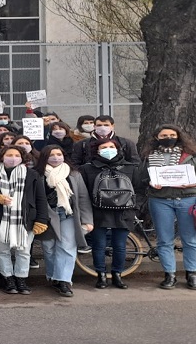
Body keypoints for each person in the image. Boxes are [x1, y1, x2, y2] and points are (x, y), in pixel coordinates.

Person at [0, 146, 50, 295]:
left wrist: (42, 220)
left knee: (24, 252)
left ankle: (21, 278)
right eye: (9, 154)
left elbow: (40, 199)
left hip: (26, 219)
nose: (13, 158)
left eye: (16, 155)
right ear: (2, 156)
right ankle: (8, 279)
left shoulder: (32, 175)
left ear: (22, 158)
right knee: (2, 251)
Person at [79, 138, 144, 289]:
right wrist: (86, 214)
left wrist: (135, 207)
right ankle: (101, 275)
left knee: (120, 245)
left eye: (111, 146)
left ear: (118, 149)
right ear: (97, 150)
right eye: (104, 147)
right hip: (98, 212)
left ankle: (117, 275)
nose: (108, 149)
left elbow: (140, 190)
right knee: (99, 245)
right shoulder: (87, 169)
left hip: (124, 212)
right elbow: (84, 193)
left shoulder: (131, 167)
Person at [141, 124, 196, 289]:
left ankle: (192, 273)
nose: (168, 138)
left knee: (190, 239)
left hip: (188, 199)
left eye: (171, 135)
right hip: (160, 199)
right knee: (164, 240)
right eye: (164, 136)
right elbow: (141, 178)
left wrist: (191, 184)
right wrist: (150, 183)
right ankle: (169, 275)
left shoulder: (190, 156)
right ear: (157, 138)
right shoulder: (149, 156)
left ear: (178, 136)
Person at [35, 145, 93, 297]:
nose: (55, 157)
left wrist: (87, 220)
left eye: (59, 154)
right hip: (47, 215)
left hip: (68, 214)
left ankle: (64, 281)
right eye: (51, 155)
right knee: (49, 247)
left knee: (67, 246)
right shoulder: (37, 174)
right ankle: (53, 275)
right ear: (44, 158)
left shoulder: (73, 173)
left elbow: (82, 198)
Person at [71, 115, 140, 165]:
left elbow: (135, 163)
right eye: (99, 125)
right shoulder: (82, 144)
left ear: (112, 126)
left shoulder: (126, 143)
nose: (103, 127)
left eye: (106, 125)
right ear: (94, 127)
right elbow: (75, 163)